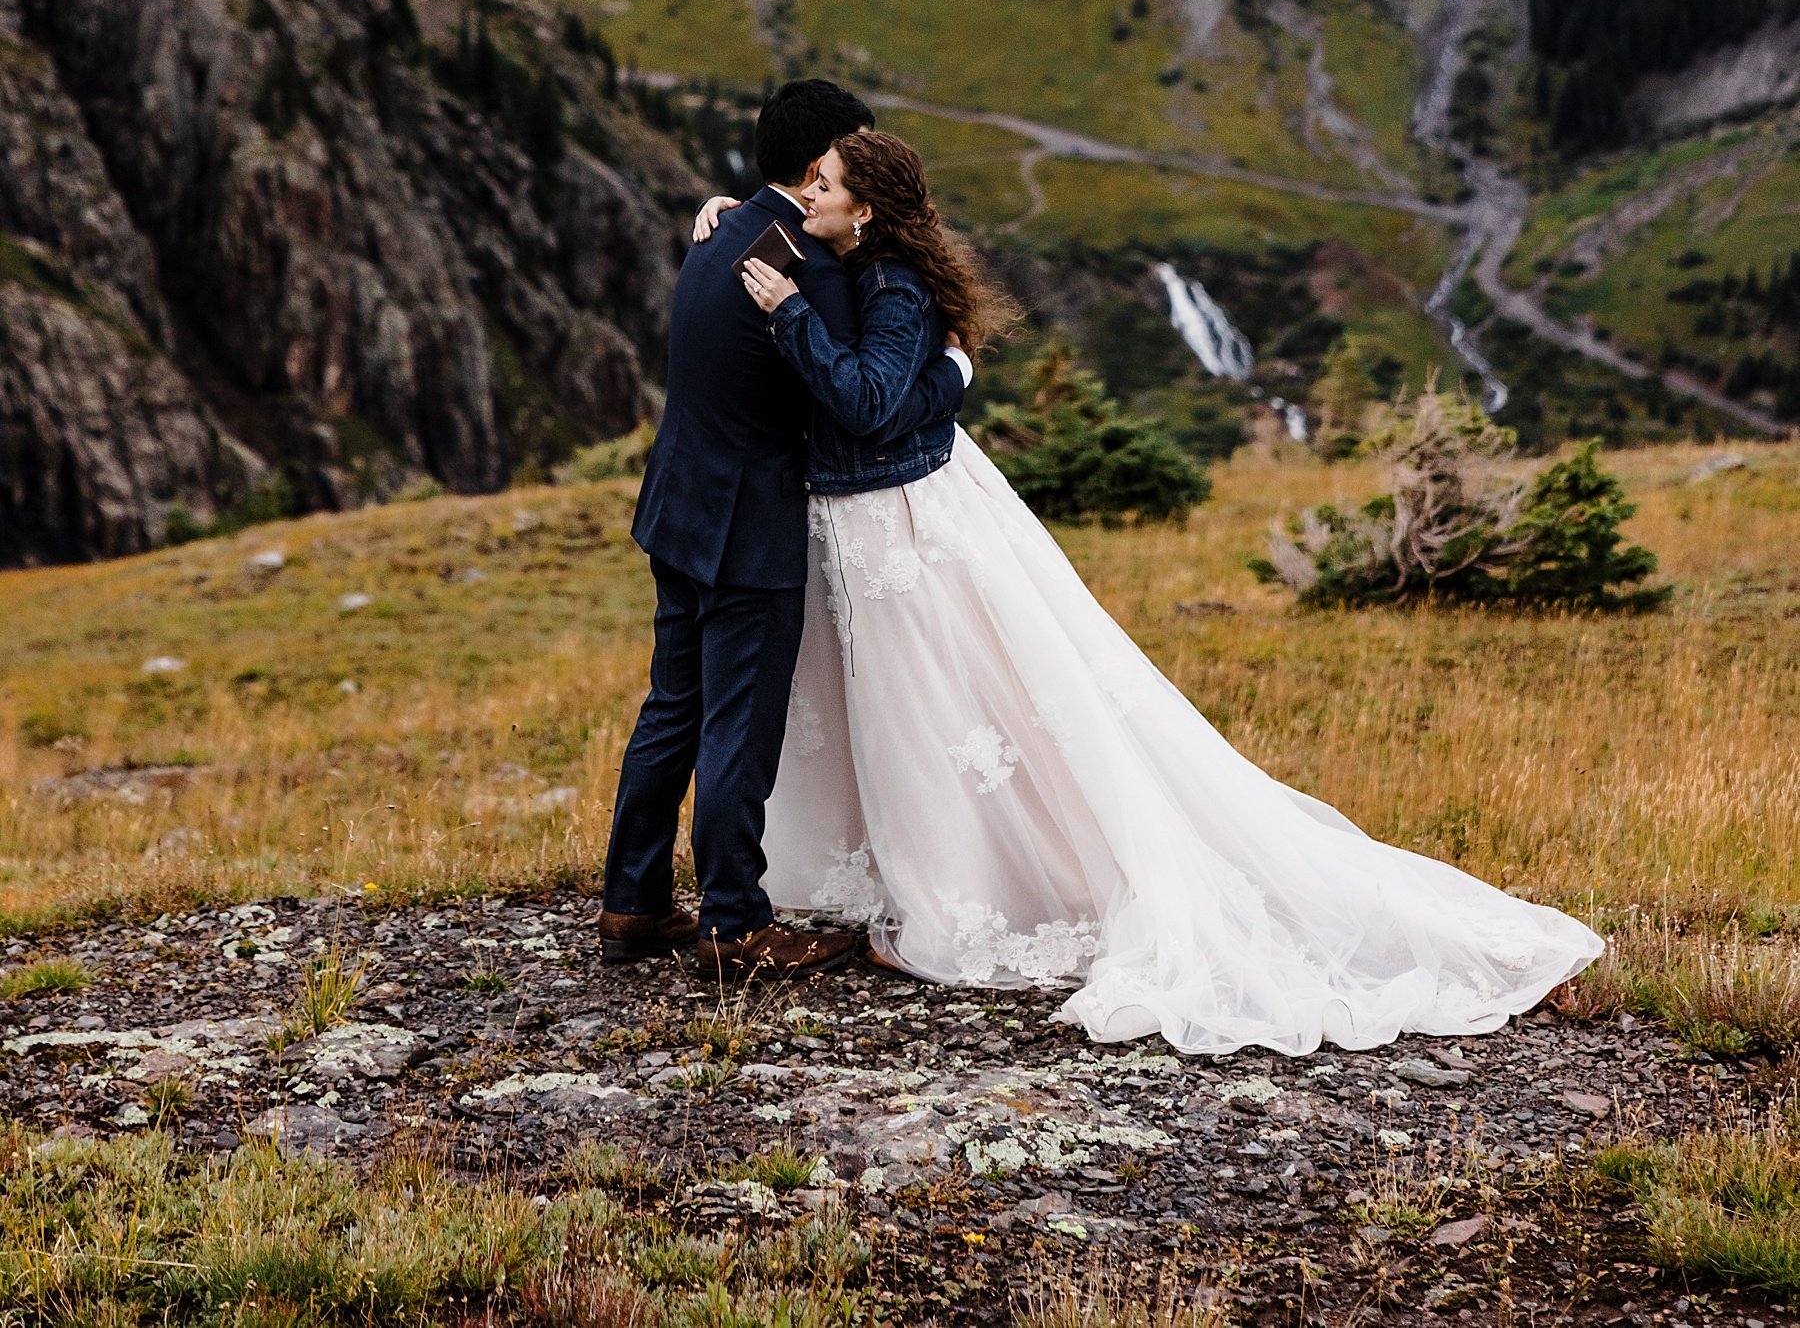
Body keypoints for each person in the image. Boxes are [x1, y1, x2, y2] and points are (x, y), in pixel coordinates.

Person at [702, 129, 1604, 1054]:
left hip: (897, 525)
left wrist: (792, 319)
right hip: (865, 526)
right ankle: (922, 875)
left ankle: (964, 891)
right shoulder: (844, 252)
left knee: (937, 708)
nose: (807, 190)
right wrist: (734, 217)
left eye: (825, 182)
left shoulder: (890, 285)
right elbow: (907, 376)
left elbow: (868, 402)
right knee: (906, 714)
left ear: (869, 208)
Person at [600, 80, 969, 979]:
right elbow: (862, 405)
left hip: (679, 506)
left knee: (673, 709)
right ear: (818, 169)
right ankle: (734, 924)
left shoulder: (725, 227)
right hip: (745, 524)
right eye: (852, 156)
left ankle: (634, 902)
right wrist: (951, 377)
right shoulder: (815, 266)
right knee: (738, 724)